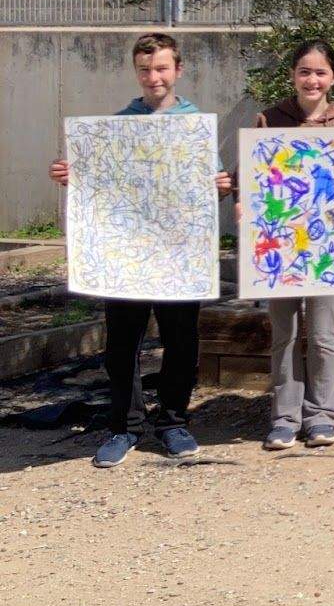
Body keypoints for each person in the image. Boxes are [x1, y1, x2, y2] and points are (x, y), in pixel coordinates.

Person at [48, 32, 232, 468]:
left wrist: (220, 186)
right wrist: (72, 175)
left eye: (162, 68)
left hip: (178, 256)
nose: (154, 77)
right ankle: (124, 427)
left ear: (178, 70)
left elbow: (211, 188)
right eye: (145, 70)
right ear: (136, 73)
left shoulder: (195, 126)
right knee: (122, 346)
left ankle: (173, 423)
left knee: (181, 342)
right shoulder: (118, 126)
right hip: (126, 257)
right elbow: (101, 183)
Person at [249, 40, 334, 451]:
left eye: (320, 72)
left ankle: (322, 416)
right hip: (279, 250)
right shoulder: (269, 120)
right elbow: (252, 178)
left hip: (326, 249)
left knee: (324, 334)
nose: (312, 80)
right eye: (305, 71)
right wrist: (243, 201)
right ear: (293, 75)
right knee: (284, 334)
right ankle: (284, 418)